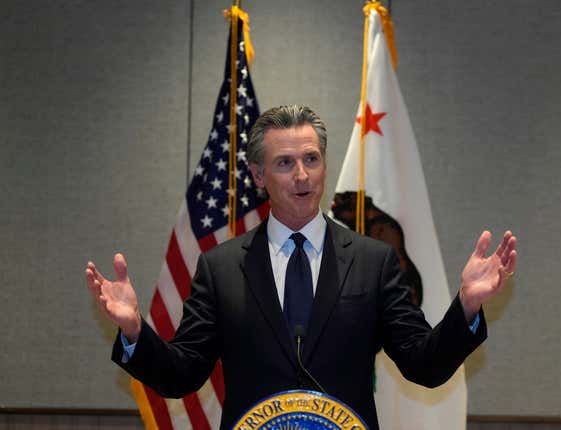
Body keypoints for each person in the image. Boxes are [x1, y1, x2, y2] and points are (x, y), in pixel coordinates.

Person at [86, 105, 517, 430]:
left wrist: (465, 308)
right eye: (284, 163)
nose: (302, 176)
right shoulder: (221, 267)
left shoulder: (373, 261)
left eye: (311, 159)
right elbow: (182, 375)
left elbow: (424, 365)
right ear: (257, 174)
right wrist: (134, 333)